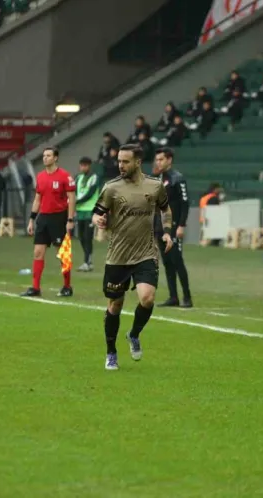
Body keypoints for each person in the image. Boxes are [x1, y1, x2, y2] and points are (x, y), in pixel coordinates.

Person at [91, 144, 173, 371]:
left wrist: (166, 231)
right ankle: (111, 352)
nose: (121, 165)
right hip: (118, 255)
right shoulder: (111, 188)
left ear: (138, 162)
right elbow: (97, 211)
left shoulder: (155, 186)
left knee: (147, 298)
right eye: (119, 161)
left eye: (125, 161)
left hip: (145, 253)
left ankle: (134, 334)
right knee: (115, 305)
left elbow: (166, 210)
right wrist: (98, 219)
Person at [21, 147, 76, 297]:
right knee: (38, 252)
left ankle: (67, 286)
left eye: (48, 155)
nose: (45, 158)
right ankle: (35, 288)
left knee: (62, 254)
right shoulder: (40, 177)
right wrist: (32, 219)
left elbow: (71, 198)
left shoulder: (65, 176)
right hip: (43, 218)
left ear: (55, 158)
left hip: (59, 217)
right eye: (44, 155)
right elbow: (38, 199)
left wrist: (70, 219)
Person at [151, 147, 192, 307]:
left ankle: (187, 297)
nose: (158, 162)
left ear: (169, 160)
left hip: (174, 227)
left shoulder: (177, 178)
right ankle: (173, 297)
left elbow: (185, 203)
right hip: (160, 227)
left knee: (177, 261)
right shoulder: (158, 179)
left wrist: (181, 225)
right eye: (157, 159)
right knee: (167, 262)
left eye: (161, 159)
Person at [74, 156, 101, 271]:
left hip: (90, 211)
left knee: (87, 237)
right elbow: (73, 191)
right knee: (81, 237)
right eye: (82, 165)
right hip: (80, 211)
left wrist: (77, 201)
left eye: (85, 165)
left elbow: (90, 193)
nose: (83, 167)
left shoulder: (94, 177)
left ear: (89, 166)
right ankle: (88, 262)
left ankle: (87, 262)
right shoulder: (78, 178)